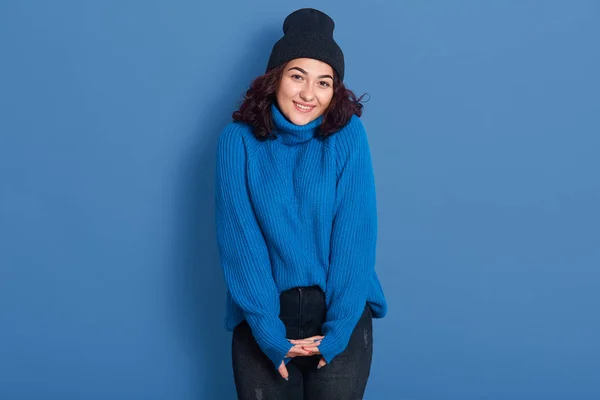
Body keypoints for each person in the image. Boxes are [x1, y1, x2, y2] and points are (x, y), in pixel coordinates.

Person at [215, 8, 387, 399]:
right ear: (275, 77)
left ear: (334, 90)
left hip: (342, 307)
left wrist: (340, 328)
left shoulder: (347, 136)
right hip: (263, 312)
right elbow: (240, 243)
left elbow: (355, 236)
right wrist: (266, 329)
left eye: (323, 82)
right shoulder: (237, 141)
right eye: (297, 76)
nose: (309, 94)